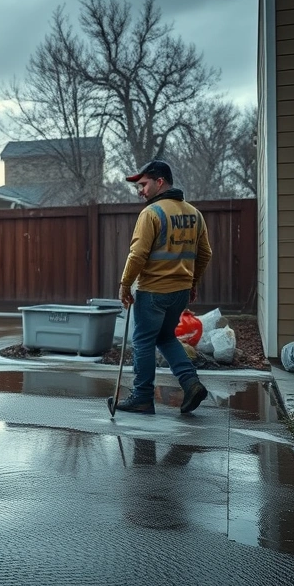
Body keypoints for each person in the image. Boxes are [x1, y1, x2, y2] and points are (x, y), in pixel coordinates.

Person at [116, 160, 213, 415]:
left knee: (144, 341)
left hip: (153, 292)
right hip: (180, 292)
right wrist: (193, 283)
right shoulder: (194, 214)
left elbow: (137, 255)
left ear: (160, 182)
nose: (140, 190)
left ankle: (142, 397)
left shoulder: (151, 214)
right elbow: (205, 254)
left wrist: (125, 285)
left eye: (144, 184)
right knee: (166, 337)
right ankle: (191, 383)